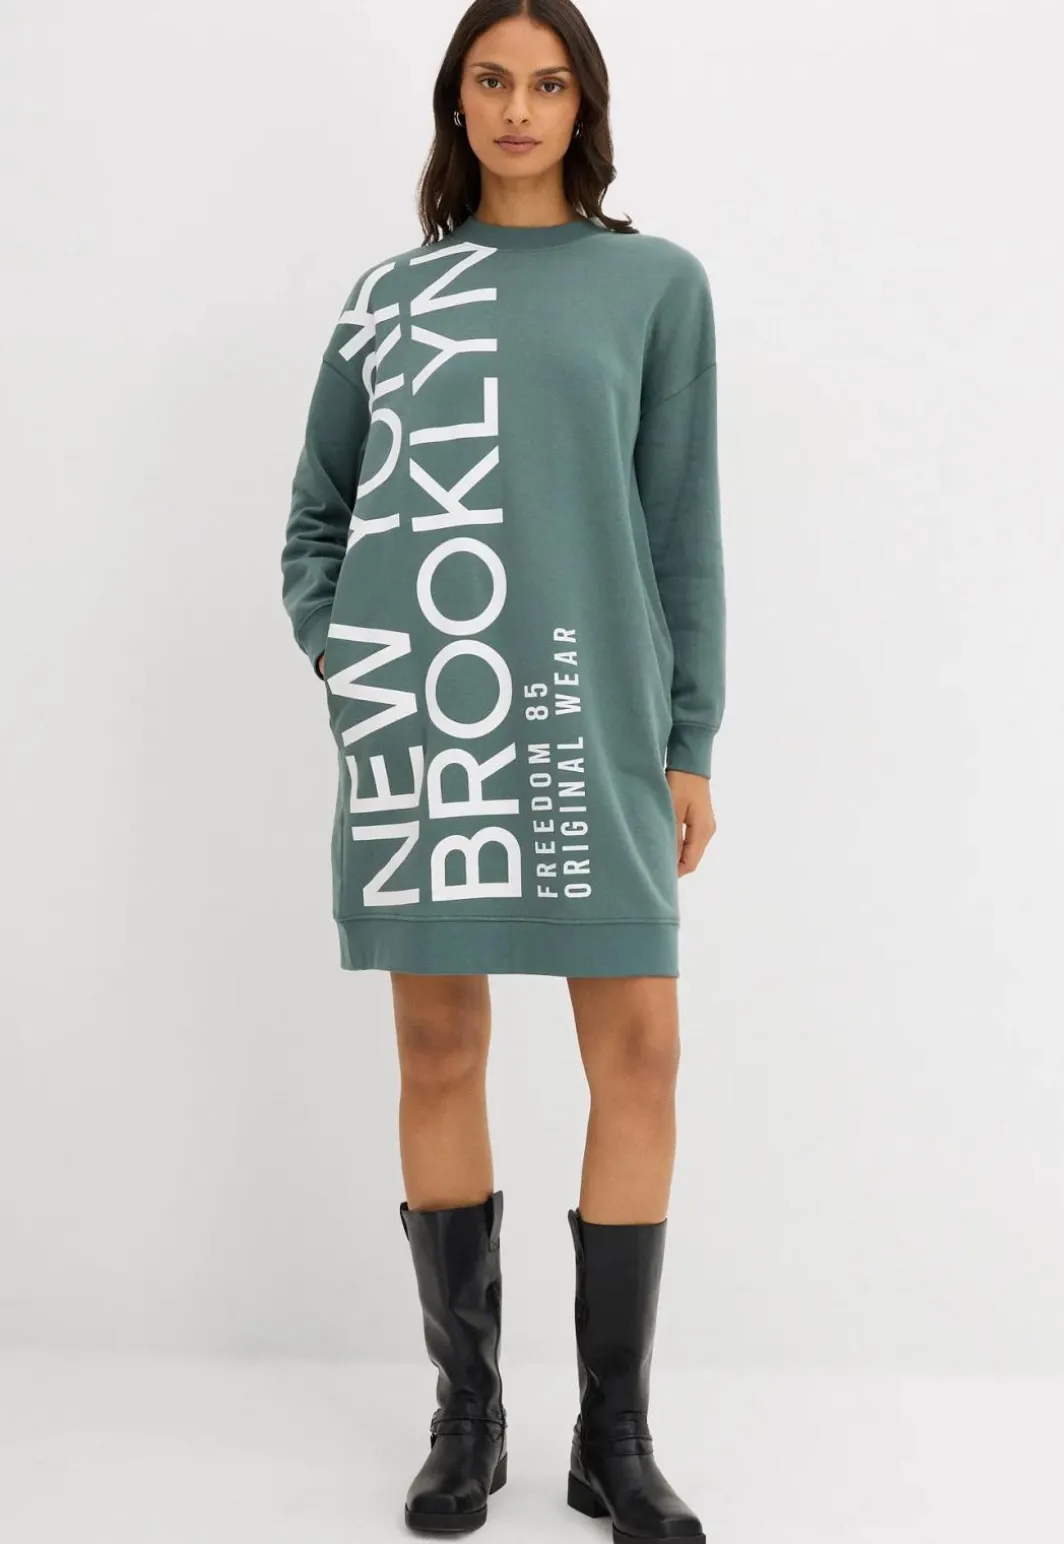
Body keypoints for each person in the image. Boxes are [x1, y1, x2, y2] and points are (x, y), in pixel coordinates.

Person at [280, 1, 724, 1537]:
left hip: (590, 721)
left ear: (582, 107)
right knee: (437, 1048)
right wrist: (348, 656)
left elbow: (679, 528)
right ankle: (465, 1422)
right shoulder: (390, 299)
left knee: (641, 1050)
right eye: (490, 79)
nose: (517, 108)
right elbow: (316, 517)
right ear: (454, 102)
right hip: (433, 726)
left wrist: (688, 739)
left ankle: (616, 1439)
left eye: (546, 83)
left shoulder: (654, 286)